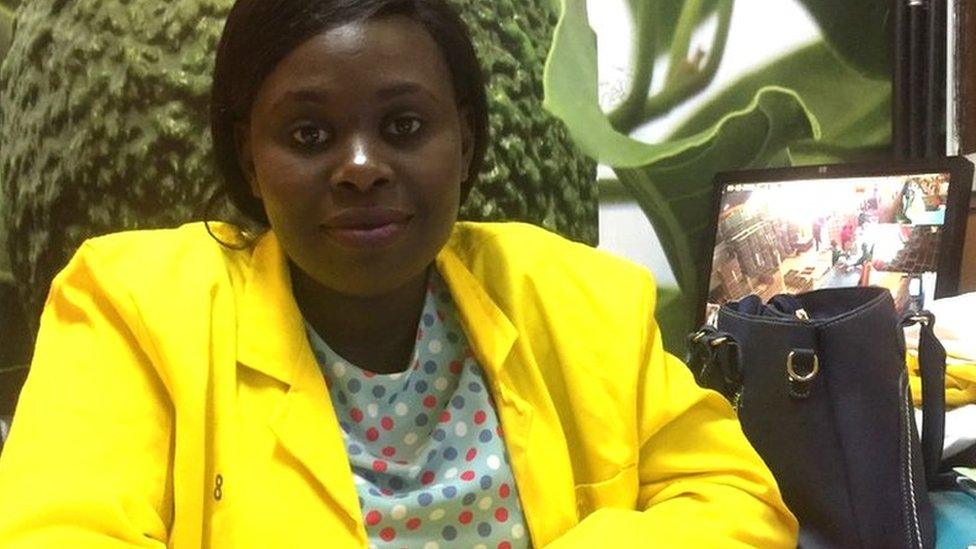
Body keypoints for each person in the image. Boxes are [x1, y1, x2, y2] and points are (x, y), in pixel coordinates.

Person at [0, 0, 797, 546]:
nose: (359, 168)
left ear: (467, 139)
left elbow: (737, 504)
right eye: (309, 134)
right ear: (249, 153)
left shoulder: (581, 298)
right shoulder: (133, 309)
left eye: (404, 125)